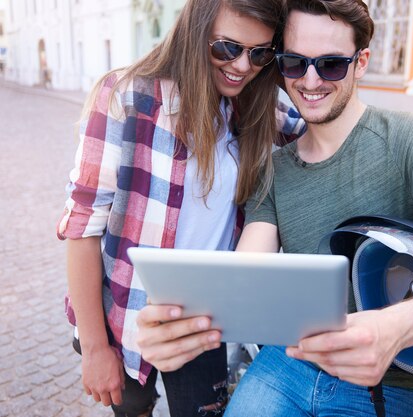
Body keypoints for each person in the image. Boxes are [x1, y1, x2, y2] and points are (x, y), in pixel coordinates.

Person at [136, 0, 413, 416]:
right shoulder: (273, 169)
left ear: (361, 61)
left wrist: (394, 329)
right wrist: (178, 327)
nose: (310, 80)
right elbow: (245, 277)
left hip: (388, 384)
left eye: (330, 64)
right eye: (294, 63)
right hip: (285, 364)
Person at [56, 0, 304, 416]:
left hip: (203, 322)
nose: (242, 65)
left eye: (260, 53)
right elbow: (82, 228)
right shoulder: (126, 96)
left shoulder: (255, 103)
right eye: (227, 48)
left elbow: (321, 128)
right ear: (195, 31)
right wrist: (96, 349)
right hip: (124, 317)